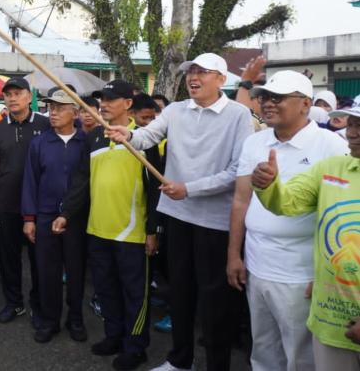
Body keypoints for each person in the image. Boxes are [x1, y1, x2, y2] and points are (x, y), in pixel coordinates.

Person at [106, 53, 254, 371]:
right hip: (176, 216)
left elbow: (236, 171)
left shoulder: (239, 115)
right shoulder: (174, 110)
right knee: (180, 292)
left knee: (215, 301)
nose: (193, 77)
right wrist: (128, 135)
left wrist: (190, 188)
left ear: (221, 80)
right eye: (190, 72)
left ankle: (218, 364)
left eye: (202, 72)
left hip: (216, 222)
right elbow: (147, 136)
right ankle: (179, 360)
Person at [227, 71, 348, 371]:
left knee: (301, 357)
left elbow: (343, 217)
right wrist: (234, 255)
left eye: (278, 98)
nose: (268, 103)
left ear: (305, 104)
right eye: (265, 97)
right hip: (257, 265)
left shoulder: (330, 146)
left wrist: (326, 275)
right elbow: (241, 200)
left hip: (301, 273)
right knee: (264, 351)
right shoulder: (254, 143)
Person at [54, 80, 163, 370]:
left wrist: (152, 229)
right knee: (106, 289)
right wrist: (66, 212)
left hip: (132, 232)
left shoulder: (144, 138)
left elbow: (155, 189)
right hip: (97, 229)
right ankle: (113, 336)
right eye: (103, 98)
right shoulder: (94, 138)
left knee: (134, 293)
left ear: (128, 103)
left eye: (112, 99)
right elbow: (82, 180)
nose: (104, 104)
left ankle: (135, 346)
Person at [251, 105, 360, 370]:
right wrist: (268, 185)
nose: (352, 133)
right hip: (331, 320)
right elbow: (288, 202)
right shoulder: (333, 167)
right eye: (352, 124)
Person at [21, 88, 88, 343]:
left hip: (77, 217)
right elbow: (30, 181)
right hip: (46, 215)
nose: (54, 112)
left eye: (60, 107)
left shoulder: (85, 142)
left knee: (76, 269)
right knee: (47, 271)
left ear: (76, 112)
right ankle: (50, 320)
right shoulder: (40, 142)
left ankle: (76, 318)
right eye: (51, 107)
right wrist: (29, 218)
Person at [0, 77, 50, 324]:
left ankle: (38, 303)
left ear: (28, 96)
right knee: (8, 257)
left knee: (39, 258)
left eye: (17, 93)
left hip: (40, 205)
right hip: (6, 205)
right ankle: (14, 302)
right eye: (8, 94)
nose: (11, 98)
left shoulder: (46, 124)